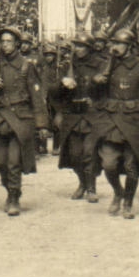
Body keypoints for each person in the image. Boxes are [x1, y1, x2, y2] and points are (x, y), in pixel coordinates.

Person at [0, 24, 49, 216]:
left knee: (14, 161)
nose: (5, 45)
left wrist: (42, 124)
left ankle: (15, 197)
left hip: (20, 118)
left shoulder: (27, 66)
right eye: (3, 41)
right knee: (0, 162)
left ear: (17, 44)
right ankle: (10, 191)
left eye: (9, 41)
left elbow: (37, 96)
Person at [91, 27, 139, 219]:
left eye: (119, 43)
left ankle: (128, 202)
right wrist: (96, 81)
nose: (115, 47)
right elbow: (95, 96)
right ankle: (118, 192)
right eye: (114, 43)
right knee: (109, 164)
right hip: (111, 121)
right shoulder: (106, 65)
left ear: (129, 46)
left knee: (131, 166)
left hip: (133, 122)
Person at [51, 31, 102, 201]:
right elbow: (53, 93)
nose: (78, 49)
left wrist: (95, 99)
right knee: (74, 154)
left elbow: (106, 91)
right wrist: (62, 84)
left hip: (91, 116)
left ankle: (91, 187)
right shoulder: (68, 66)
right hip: (72, 116)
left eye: (81, 46)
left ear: (89, 48)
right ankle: (82, 182)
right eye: (76, 45)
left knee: (89, 153)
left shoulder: (100, 65)